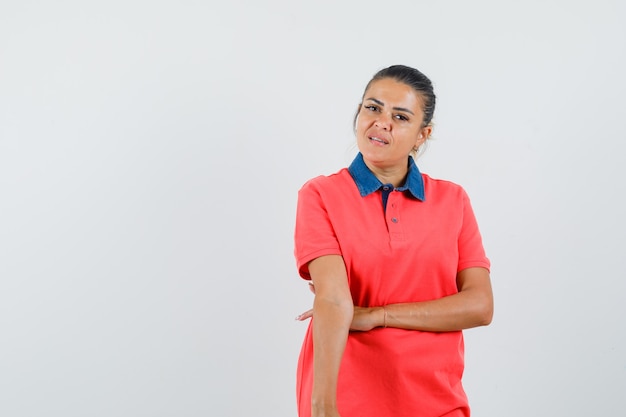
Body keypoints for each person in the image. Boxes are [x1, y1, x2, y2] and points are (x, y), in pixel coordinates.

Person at [293, 64, 493, 417]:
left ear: (422, 135)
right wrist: (323, 408)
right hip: (348, 400)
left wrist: (377, 316)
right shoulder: (321, 195)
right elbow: (334, 298)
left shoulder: (453, 200)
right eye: (372, 107)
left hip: (438, 400)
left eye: (400, 116)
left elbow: (479, 306)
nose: (381, 122)